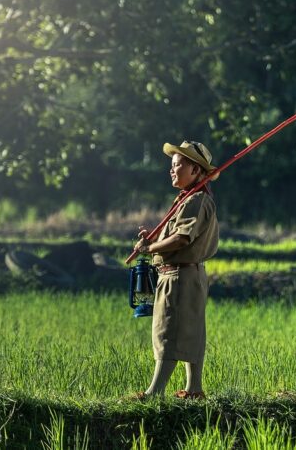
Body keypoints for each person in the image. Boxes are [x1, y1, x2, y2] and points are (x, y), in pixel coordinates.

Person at [132, 140, 219, 400]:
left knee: (169, 330)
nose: (172, 170)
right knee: (190, 329)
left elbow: (182, 239)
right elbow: (175, 235)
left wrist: (150, 249)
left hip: (180, 274)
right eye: (172, 165)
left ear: (196, 170)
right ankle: (194, 389)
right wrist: (154, 240)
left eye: (178, 165)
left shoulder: (196, 200)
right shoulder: (187, 199)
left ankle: (154, 391)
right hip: (184, 273)